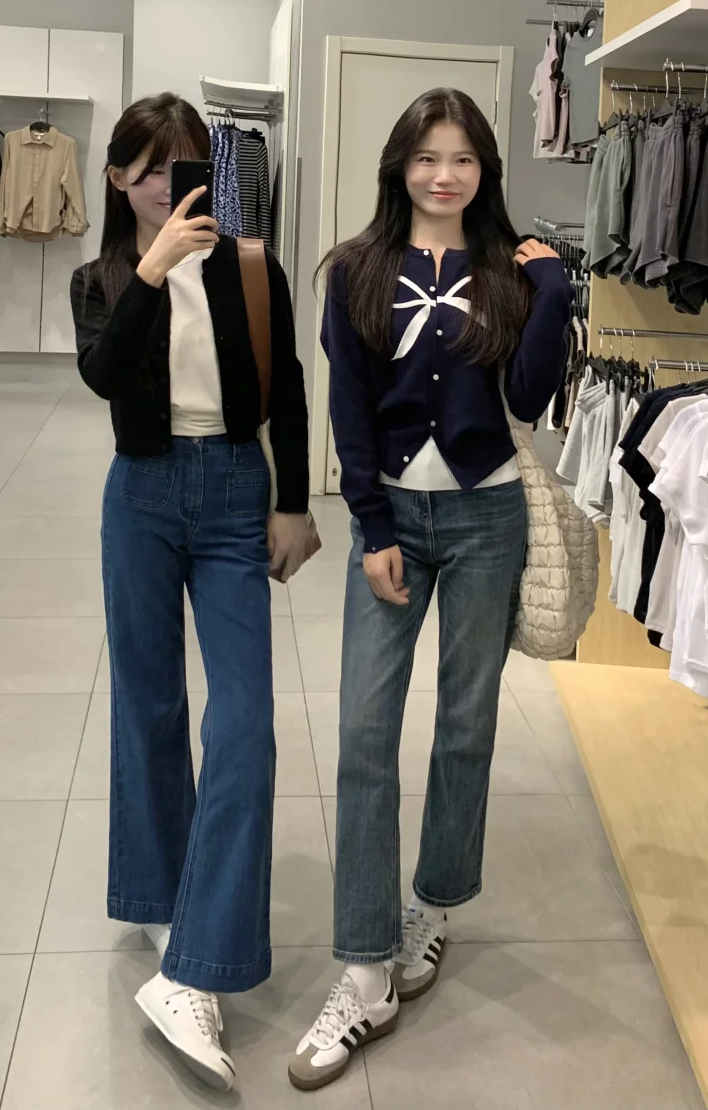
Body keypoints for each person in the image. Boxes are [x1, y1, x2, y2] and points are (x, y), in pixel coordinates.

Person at [290, 87, 571, 1091]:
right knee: (366, 732)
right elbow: (348, 407)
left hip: (490, 519)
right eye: (425, 157)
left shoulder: (511, 274)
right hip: (394, 523)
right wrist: (370, 525)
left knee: (466, 724)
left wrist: (556, 294)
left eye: (462, 158)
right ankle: (364, 969)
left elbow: (530, 395)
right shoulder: (357, 271)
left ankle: (435, 905)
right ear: (398, 166)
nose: (443, 175)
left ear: (485, 169)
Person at [70, 92, 313, 1094]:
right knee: (151, 705)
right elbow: (101, 375)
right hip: (140, 491)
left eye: (185, 164)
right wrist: (153, 268)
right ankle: (163, 900)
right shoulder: (100, 277)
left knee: (246, 722)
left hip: (232, 489)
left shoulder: (251, 268)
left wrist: (293, 502)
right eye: (147, 169)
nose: (165, 185)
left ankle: (193, 971)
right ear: (118, 177)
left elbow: (287, 383)